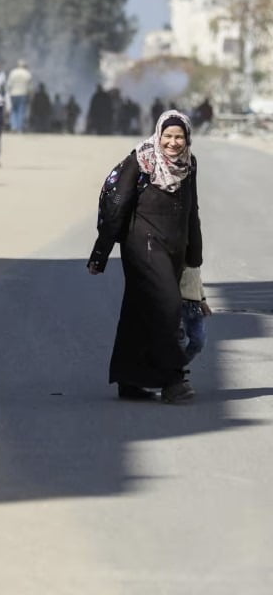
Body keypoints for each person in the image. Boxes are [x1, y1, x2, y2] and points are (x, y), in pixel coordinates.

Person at [88, 110, 202, 404]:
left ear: (187, 138)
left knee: (139, 311)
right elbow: (117, 206)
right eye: (168, 136)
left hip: (173, 249)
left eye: (179, 137)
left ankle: (130, 380)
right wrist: (101, 253)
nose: (173, 143)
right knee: (167, 305)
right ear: (158, 134)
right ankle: (172, 379)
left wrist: (194, 259)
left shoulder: (189, 164)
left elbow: (192, 211)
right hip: (142, 246)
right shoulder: (139, 161)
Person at [178, 266, 211, 363]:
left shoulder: (194, 260)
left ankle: (179, 364)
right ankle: (175, 370)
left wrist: (203, 301)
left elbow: (198, 282)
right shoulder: (175, 255)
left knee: (199, 341)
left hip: (195, 307)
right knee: (180, 341)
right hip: (179, 304)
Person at [6, 59, 32, 133]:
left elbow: (9, 84)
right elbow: (30, 87)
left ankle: (13, 126)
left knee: (14, 110)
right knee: (21, 111)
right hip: (23, 94)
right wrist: (30, 95)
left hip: (13, 94)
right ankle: (19, 127)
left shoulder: (13, 72)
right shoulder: (27, 73)